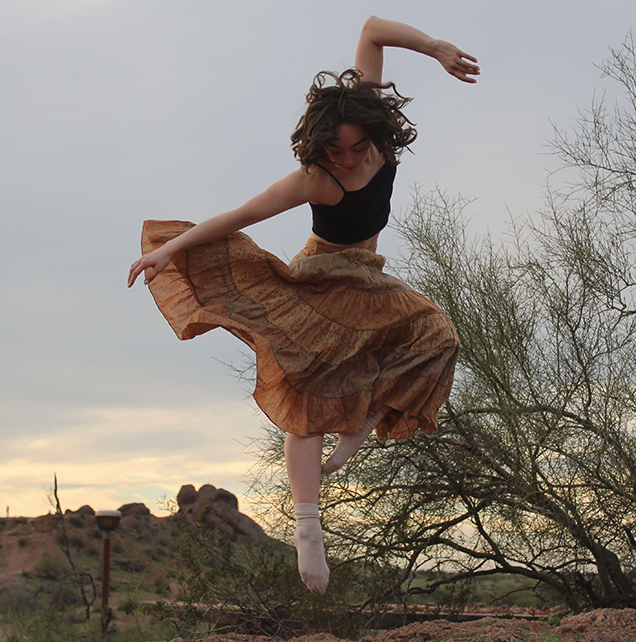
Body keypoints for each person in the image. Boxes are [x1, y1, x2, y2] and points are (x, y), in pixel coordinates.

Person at [127, 16, 478, 593]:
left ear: (373, 131)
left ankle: (363, 416)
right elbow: (237, 218)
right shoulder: (313, 179)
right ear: (319, 149)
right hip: (322, 277)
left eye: (356, 148)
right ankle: (308, 529)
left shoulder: (371, 126)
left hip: (364, 276)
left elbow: (372, 29)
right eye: (334, 151)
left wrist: (436, 48)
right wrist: (171, 250)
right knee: (305, 391)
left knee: (437, 335)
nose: (347, 159)